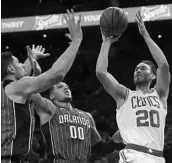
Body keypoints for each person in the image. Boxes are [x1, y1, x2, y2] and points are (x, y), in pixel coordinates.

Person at [1, 9, 82, 163]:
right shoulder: (16, 86)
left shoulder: (7, 89)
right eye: (19, 62)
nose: (23, 64)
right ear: (10, 69)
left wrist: (33, 62)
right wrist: (76, 42)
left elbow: (23, 77)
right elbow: (57, 74)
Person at [96, 11, 170, 163]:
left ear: (153, 76)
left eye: (143, 68)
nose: (138, 70)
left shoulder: (160, 94)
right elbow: (101, 72)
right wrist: (106, 42)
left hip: (157, 157)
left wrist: (145, 35)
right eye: (136, 68)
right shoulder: (124, 95)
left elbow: (163, 65)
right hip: (133, 156)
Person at [31, 81, 122, 163]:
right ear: (52, 96)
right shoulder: (50, 110)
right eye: (60, 87)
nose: (66, 88)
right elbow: (30, 92)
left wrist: (114, 141)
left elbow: (99, 150)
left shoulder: (87, 116)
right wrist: (34, 77)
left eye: (67, 87)